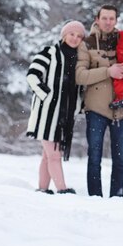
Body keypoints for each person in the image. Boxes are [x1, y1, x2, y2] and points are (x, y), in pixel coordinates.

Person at [76, 5, 123, 197]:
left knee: (120, 159)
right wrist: (108, 71)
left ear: (116, 20)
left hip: (122, 111)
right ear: (97, 19)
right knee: (94, 157)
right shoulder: (87, 43)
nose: (108, 22)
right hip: (96, 108)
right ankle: (95, 198)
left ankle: (117, 197)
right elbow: (80, 76)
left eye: (111, 18)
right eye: (104, 18)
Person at [26, 20, 86, 195]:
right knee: (53, 155)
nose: (75, 39)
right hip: (47, 114)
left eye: (79, 36)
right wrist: (47, 95)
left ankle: (42, 189)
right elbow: (32, 76)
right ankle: (62, 189)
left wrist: (79, 106)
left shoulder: (81, 59)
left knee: (47, 155)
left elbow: (81, 87)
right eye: (71, 34)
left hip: (65, 116)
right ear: (64, 35)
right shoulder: (50, 52)